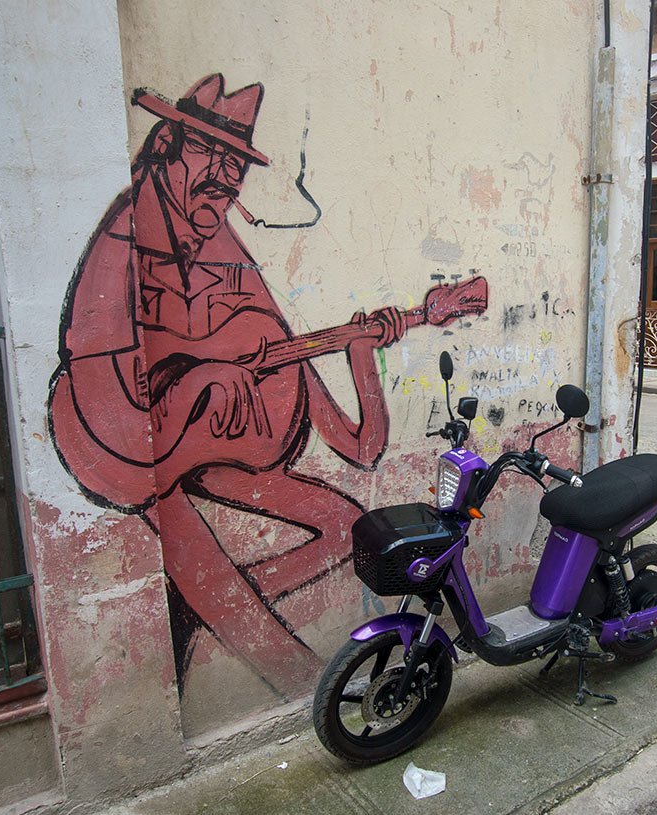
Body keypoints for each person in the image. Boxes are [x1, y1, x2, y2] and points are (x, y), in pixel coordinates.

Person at [48, 74, 405, 689]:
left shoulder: (221, 252)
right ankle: (280, 663)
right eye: (208, 156)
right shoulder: (120, 242)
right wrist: (201, 389)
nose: (223, 179)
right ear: (166, 144)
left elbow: (362, 446)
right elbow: (114, 438)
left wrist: (360, 352)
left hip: (200, 448)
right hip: (123, 454)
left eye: (233, 167)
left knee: (348, 526)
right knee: (281, 661)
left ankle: (204, 606)